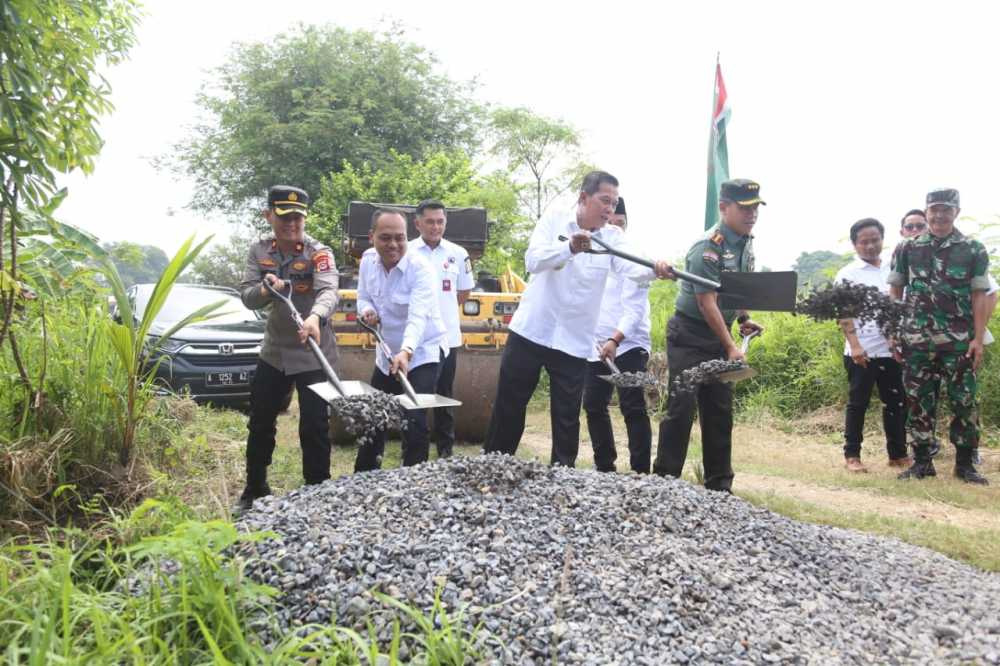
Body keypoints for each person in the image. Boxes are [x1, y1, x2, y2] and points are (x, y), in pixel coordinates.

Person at [484, 171, 674, 467]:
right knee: (510, 406)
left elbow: (632, 268)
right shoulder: (555, 217)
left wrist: (656, 269)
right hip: (532, 330)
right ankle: (493, 468)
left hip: (573, 341)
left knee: (567, 417)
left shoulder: (612, 237)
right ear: (584, 198)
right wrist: (569, 248)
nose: (610, 209)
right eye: (604, 200)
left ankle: (561, 480)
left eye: (614, 203)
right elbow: (533, 261)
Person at [652, 179, 765, 492]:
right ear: (724, 207)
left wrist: (743, 317)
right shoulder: (708, 247)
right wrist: (731, 347)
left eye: (755, 208)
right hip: (689, 334)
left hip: (718, 334)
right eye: (744, 208)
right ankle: (664, 483)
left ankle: (719, 487)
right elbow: (706, 302)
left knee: (719, 410)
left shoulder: (745, 242)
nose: (751, 214)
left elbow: (737, 286)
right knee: (682, 407)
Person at [237, 185, 339, 512]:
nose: (291, 224)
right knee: (261, 420)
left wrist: (314, 318)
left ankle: (317, 490)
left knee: (314, 424)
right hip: (274, 352)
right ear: (269, 215)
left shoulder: (318, 252)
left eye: (297, 217)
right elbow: (247, 295)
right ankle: (255, 487)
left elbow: (329, 292)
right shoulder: (258, 251)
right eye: (284, 217)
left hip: (312, 348)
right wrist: (266, 291)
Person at [888, 188, 990, 485]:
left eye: (946, 209)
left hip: (959, 341)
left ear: (956, 212)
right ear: (927, 211)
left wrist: (978, 338)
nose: (939, 215)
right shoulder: (907, 248)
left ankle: (964, 465)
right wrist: (895, 332)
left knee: (964, 401)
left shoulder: (973, 249)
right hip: (916, 340)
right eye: (934, 209)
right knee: (918, 401)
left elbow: (979, 295)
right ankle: (922, 463)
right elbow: (896, 290)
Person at [355, 208, 448, 471]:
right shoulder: (367, 261)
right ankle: (364, 477)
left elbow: (418, 317)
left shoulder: (421, 269)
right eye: (386, 238)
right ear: (371, 236)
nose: (394, 244)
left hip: (421, 352)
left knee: (414, 416)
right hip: (386, 353)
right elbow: (362, 296)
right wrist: (366, 312)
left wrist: (406, 352)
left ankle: (413, 481)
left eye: (400, 237)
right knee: (374, 415)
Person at [582, 197, 653, 473]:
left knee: (632, 405)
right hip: (595, 344)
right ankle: (605, 467)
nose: (615, 229)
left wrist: (615, 340)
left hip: (629, 343)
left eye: (620, 223)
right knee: (594, 405)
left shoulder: (635, 260)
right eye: (610, 223)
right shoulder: (595, 259)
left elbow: (634, 311)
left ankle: (639, 472)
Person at [834, 218, 909, 473]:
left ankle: (897, 455)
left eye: (874, 240)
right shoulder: (848, 274)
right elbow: (844, 313)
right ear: (855, 244)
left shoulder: (893, 268)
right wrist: (854, 345)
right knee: (858, 404)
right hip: (862, 351)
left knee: (896, 402)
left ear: (882, 239)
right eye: (864, 242)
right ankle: (852, 456)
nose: (870, 246)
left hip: (891, 350)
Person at [409, 199, 475, 458]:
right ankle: (414, 450)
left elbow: (464, 291)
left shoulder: (458, 253)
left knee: (444, 396)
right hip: (416, 338)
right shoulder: (408, 251)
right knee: (416, 396)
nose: (435, 227)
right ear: (417, 223)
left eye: (440, 222)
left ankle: (446, 451)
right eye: (430, 221)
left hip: (447, 338)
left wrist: (441, 312)